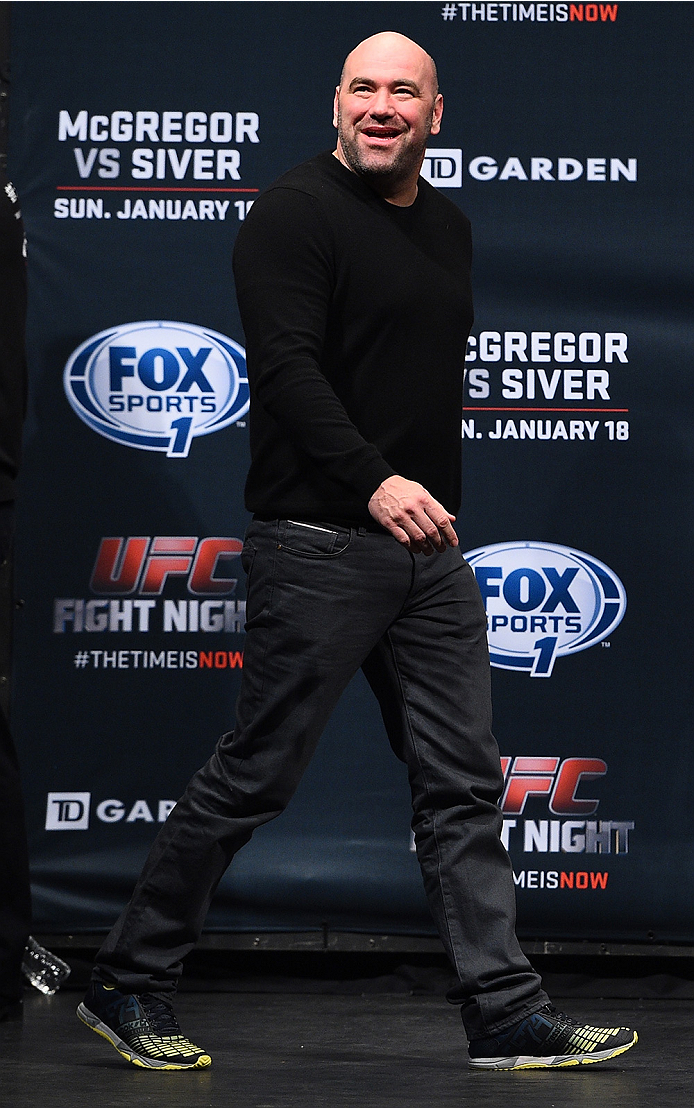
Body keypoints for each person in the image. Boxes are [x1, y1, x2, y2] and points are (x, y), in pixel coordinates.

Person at [77, 31, 637, 1071]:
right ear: (336, 103)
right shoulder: (292, 214)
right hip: (320, 541)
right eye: (364, 88)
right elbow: (284, 369)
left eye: (404, 92)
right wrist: (372, 480)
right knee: (257, 775)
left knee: (463, 784)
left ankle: (504, 1013)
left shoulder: (449, 226)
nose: (382, 106)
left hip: (427, 555)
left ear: (436, 114)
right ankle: (126, 976)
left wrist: (408, 503)